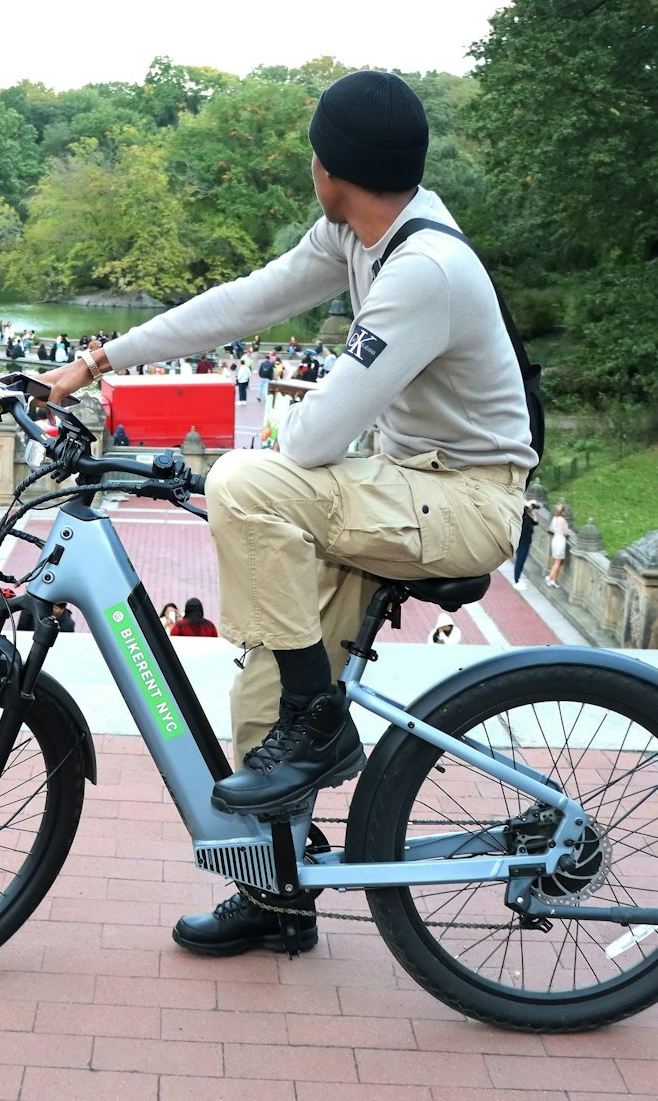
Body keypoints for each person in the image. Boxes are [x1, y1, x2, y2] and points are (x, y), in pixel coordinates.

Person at [34, 69, 534, 959]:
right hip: (404, 483)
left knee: (246, 483)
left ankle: (323, 720)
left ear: (330, 167)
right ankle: (277, 891)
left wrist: (264, 443)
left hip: (464, 500)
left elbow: (306, 445)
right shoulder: (360, 234)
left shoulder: (424, 269)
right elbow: (245, 302)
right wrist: (101, 357)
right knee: (263, 690)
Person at [512, 497, 539, 590]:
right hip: (521, 541)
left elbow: (536, 522)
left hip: (527, 541)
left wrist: (533, 512)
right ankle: (516, 580)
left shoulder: (528, 516)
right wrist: (528, 504)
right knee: (519, 560)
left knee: (522, 561)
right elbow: (521, 509)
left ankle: (518, 578)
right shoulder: (521, 515)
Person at [546, 503, 569, 588]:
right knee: (558, 562)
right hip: (560, 540)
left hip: (555, 539)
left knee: (556, 561)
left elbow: (551, 529)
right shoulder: (562, 520)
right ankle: (550, 578)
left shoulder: (554, 519)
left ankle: (554, 580)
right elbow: (566, 532)